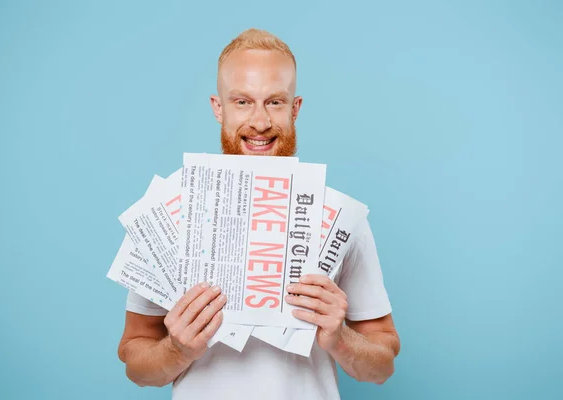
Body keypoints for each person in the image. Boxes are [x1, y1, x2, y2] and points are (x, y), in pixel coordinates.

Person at [116, 28, 400, 399]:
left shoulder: (341, 218)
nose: (261, 122)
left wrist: (340, 337)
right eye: (243, 102)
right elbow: (136, 363)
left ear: (295, 108)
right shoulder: (169, 210)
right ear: (218, 107)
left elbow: (382, 366)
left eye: (275, 102)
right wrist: (177, 349)